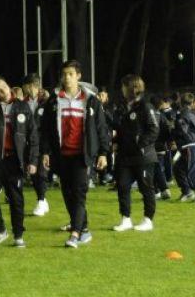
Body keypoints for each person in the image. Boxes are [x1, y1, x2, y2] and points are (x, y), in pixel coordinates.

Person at [40, 60, 109, 248]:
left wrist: (103, 152)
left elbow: (101, 128)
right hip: (61, 155)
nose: (67, 77)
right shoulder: (54, 100)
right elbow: (45, 129)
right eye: (64, 74)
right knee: (67, 194)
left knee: (79, 194)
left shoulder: (91, 100)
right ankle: (84, 229)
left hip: (81, 155)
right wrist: (45, 152)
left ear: (78, 76)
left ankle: (75, 234)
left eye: (71, 74)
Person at [0, 76, 38, 248]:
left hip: (14, 160)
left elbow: (33, 135)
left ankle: (18, 235)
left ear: (9, 85)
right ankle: (0, 230)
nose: (2, 91)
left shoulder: (22, 106)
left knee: (15, 199)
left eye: (3, 87)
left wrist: (33, 160)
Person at [112, 75, 159, 232]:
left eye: (124, 86)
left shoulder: (146, 106)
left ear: (132, 88)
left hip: (143, 156)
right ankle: (125, 219)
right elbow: (122, 130)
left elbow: (154, 129)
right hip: (126, 156)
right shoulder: (123, 107)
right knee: (123, 186)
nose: (122, 89)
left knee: (146, 188)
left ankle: (148, 219)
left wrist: (140, 144)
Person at [22, 73, 50, 216]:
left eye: (27, 86)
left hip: (43, 142)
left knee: (41, 172)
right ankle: (43, 200)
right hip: (29, 142)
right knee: (33, 173)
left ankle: (41, 200)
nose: (25, 89)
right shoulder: (23, 102)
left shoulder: (47, 101)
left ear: (34, 86)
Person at [172, 92, 195, 202]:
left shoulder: (183, 114)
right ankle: (187, 192)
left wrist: (174, 134)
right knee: (178, 168)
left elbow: (183, 131)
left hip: (189, 144)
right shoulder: (193, 114)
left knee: (190, 170)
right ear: (192, 103)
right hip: (193, 144)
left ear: (181, 102)